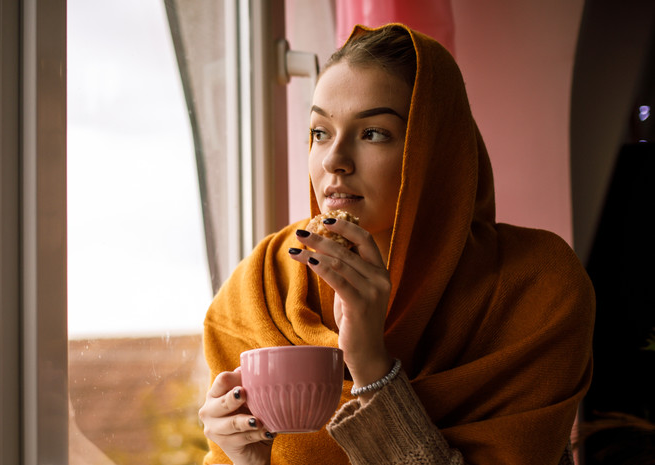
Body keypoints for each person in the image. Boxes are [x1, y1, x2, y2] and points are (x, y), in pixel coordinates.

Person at [198, 23, 594, 465]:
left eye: (373, 133)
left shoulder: (534, 286)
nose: (334, 160)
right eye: (320, 131)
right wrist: (244, 460)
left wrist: (370, 365)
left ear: (434, 152)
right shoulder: (265, 281)